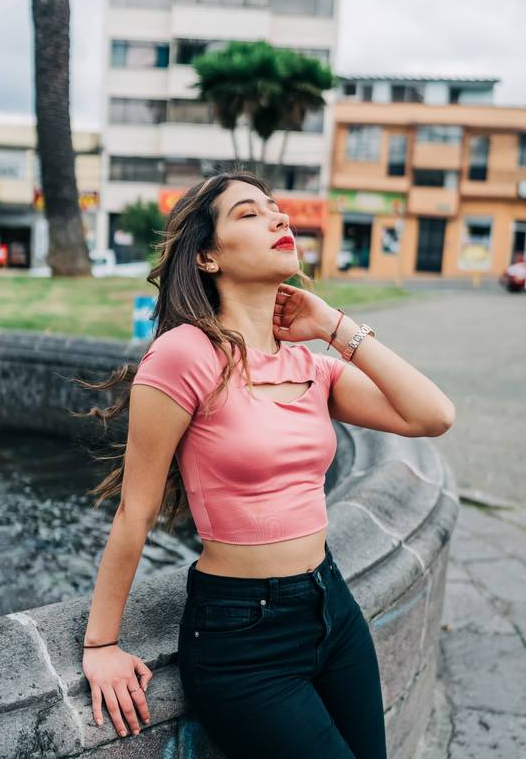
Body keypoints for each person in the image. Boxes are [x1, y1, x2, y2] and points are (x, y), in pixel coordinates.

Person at [80, 171, 455, 758]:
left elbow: (432, 415)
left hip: (331, 607)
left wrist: (334, 326)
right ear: (207, 256)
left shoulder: (312, 366)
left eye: (276, 208)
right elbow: (136, 509)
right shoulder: (184, 354)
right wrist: (101, 643)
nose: (279, 218)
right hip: (242, 638)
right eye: (249, 213)